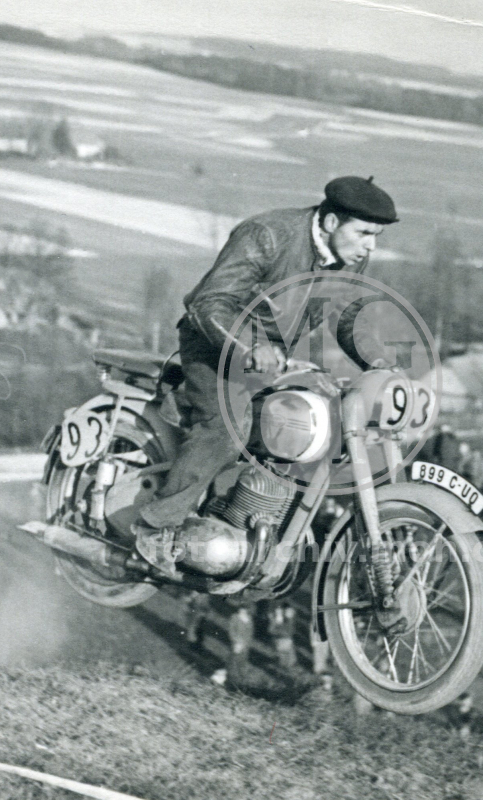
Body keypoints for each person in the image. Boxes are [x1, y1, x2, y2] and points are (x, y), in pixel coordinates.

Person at [132, 178, 398, 571]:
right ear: (328, 222)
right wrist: (247, 347)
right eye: (363, 233)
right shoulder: (267, 236)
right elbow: (209, 303)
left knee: (309, 426)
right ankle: (156, 528)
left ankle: (256, 521)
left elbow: (346, 313)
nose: (370, 245)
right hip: (214, 346)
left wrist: (380, 364)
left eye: (375, 236)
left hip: (275, 358)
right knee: (229, 426)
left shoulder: (350, 255)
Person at [267, 601, 299, 672]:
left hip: (287, 639)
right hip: (281, 639)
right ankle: (282, 668)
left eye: (290, 612)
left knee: (289, 656)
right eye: (287, 611)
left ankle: (287, 667)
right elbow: (271, 630)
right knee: (282, 655)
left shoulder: (290, 619)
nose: (289, 613)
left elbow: (291, 630)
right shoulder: (277, 620)